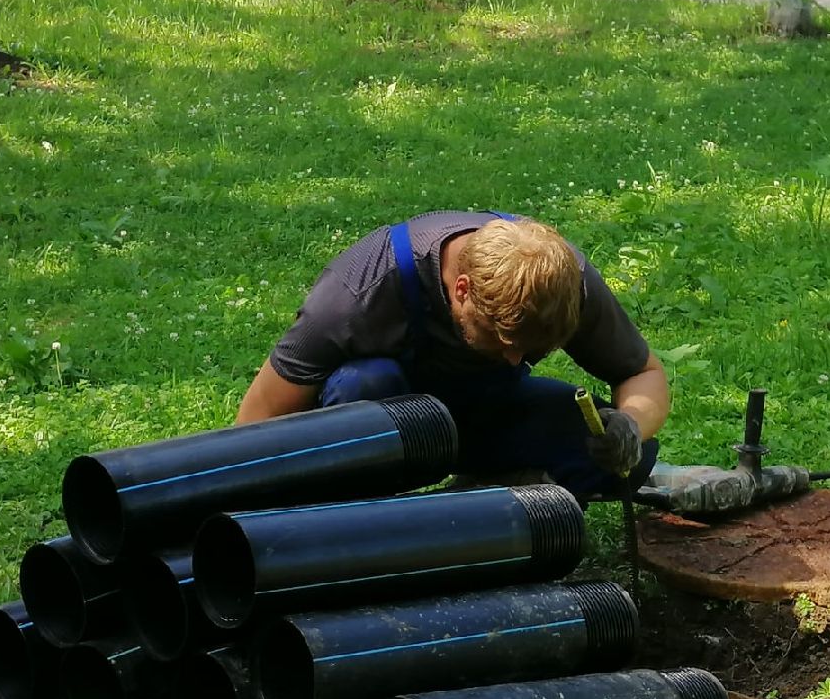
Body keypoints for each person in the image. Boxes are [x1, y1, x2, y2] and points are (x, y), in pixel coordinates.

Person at [236, 210, 669, 502]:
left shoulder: (566, 288)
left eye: (532, 347)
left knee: (632, 457)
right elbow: (258, 422)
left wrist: (630, 425)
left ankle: (491, 504)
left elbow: (643, 374)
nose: (516, 360)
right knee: (363, 384)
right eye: (502, 340)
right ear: (462, 290)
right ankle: (364, 523)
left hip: (485, 418)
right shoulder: (360, 290)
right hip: (386, 431)